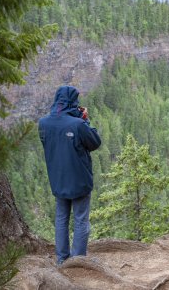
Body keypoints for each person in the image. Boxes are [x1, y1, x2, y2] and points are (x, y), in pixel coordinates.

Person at [39, 85, 101, 265]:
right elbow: (95, 142)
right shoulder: (78, 124)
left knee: (61, 218)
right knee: (81, 219)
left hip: (57, 179)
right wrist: (85, 119)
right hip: (79, 179)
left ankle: (61, 259)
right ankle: (78, 261)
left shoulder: (43, 123)